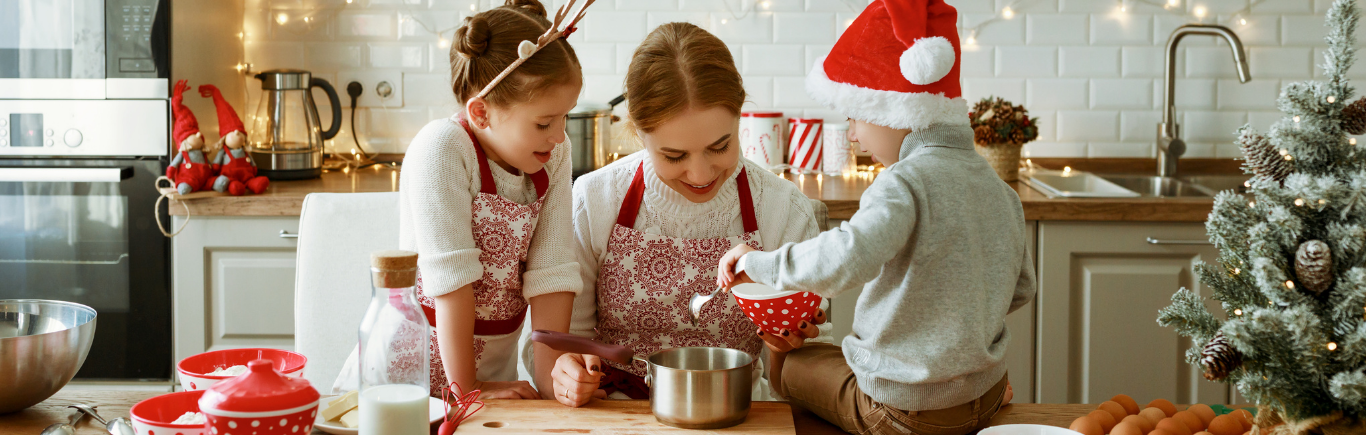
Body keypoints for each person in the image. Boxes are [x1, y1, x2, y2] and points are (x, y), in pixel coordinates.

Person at [717, 1, 1037, 433]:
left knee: (789, 366)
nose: (852, 134)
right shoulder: (999, 188)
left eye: (854, 117)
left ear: (895, 110)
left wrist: (756, 261)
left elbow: (846, 259)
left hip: (903, 412)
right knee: (835, 359)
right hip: (987, 393)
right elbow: (1020, 290)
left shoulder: (903, 182)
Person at [545, 22, 827, 407]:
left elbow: (808, 383)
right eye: (674, 156)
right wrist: (566, 373)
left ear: (740, 116)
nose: (700, 175)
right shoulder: (595, 200)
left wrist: (783, 352)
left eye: (720, 146)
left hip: (734, 415)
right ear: (638, 134)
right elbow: (564, 345)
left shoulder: (782, 210)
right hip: (616, 415)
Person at [334, 0, 585, 400]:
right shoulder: (443, 149)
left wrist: (554, 387)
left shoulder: (553, 152)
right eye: (543, 122)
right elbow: (450, 281)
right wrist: (467, 390)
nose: (558, 135)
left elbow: (552, 274)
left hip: (488, 380)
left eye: (565, 117)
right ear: (481, 112)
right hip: (404, 380)